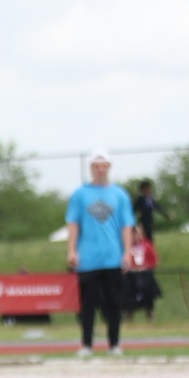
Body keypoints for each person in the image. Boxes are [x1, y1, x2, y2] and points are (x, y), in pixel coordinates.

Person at [66, 148, 135, 358]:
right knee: (88, 305)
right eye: (96, 166)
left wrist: (128, 252)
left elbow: (126, 225)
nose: (100, 170)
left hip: (112, 257)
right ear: (91, 168)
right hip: (88, 259)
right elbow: (73, 223)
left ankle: (114, 344)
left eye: (103, 166)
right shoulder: (80, 194)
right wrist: (72, 250)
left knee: (113, 304)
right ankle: (86, 344)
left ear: (109, 168)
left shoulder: (119, 195)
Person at [123, 227, 161, 320]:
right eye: (135, 234)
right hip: (130, 275)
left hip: (144, 273)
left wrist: (146, 267)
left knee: (147, 287)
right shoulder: (126, 246)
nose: (137, 236)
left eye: (139, 234)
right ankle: (128, 312)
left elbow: (154, 260)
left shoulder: (146, 245)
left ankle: (149, 311)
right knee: (126, 289)